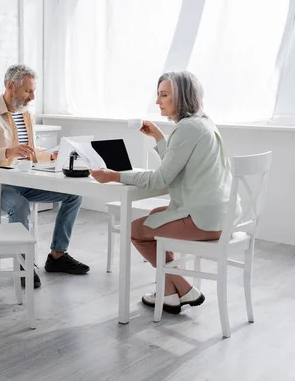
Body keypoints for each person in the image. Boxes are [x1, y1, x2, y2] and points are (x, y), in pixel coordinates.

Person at [91, 71, 239, 314]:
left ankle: (185, 288)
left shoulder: (187, 129)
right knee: (156, 217)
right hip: (222, 215)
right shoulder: (203, 123)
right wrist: (159, 137)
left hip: (203, 219)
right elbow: (175, 166)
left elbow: (161, 178)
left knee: (134, 230)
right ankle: (169, 295)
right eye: (157, 94)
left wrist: (114, 176)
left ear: (181, 97)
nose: (157, 101)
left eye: (163, 95)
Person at [0, 64, 90, 289]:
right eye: (28, 91)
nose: (32, 97)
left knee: (74, 194)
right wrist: (7, 152)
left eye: (33, 91)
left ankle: (57, 256)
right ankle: (22, 265)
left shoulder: (26, 116)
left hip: (23, 182)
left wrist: (51, 155)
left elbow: (30, 154)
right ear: (11, 86)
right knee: (20, 205)